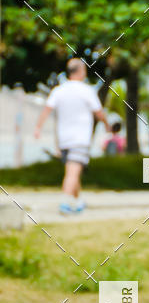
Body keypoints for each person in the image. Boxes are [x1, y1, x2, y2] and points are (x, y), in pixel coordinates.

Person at [34, 58, 110, 213]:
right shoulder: (87, 91)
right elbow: (99, 112)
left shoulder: (58, 90)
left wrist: (38, 127)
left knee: (73, 169)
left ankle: (77, 201)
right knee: (73, 171)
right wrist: (107, 125)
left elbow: (47, 110)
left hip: (63, 139)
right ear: (81, 71)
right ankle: (66, 203)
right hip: (80, 138)